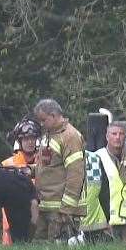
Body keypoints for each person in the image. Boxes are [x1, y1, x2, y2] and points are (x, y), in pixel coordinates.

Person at [32, 99, 86, 242]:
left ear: (54, 115)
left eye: (44, 120)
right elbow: (47, 166)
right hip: (45, 206)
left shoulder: (70, 137)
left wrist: (67, 208)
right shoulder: (49, 135)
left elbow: (76, 174)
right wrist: (30, 170)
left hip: (60, 211)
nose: (41, 124)